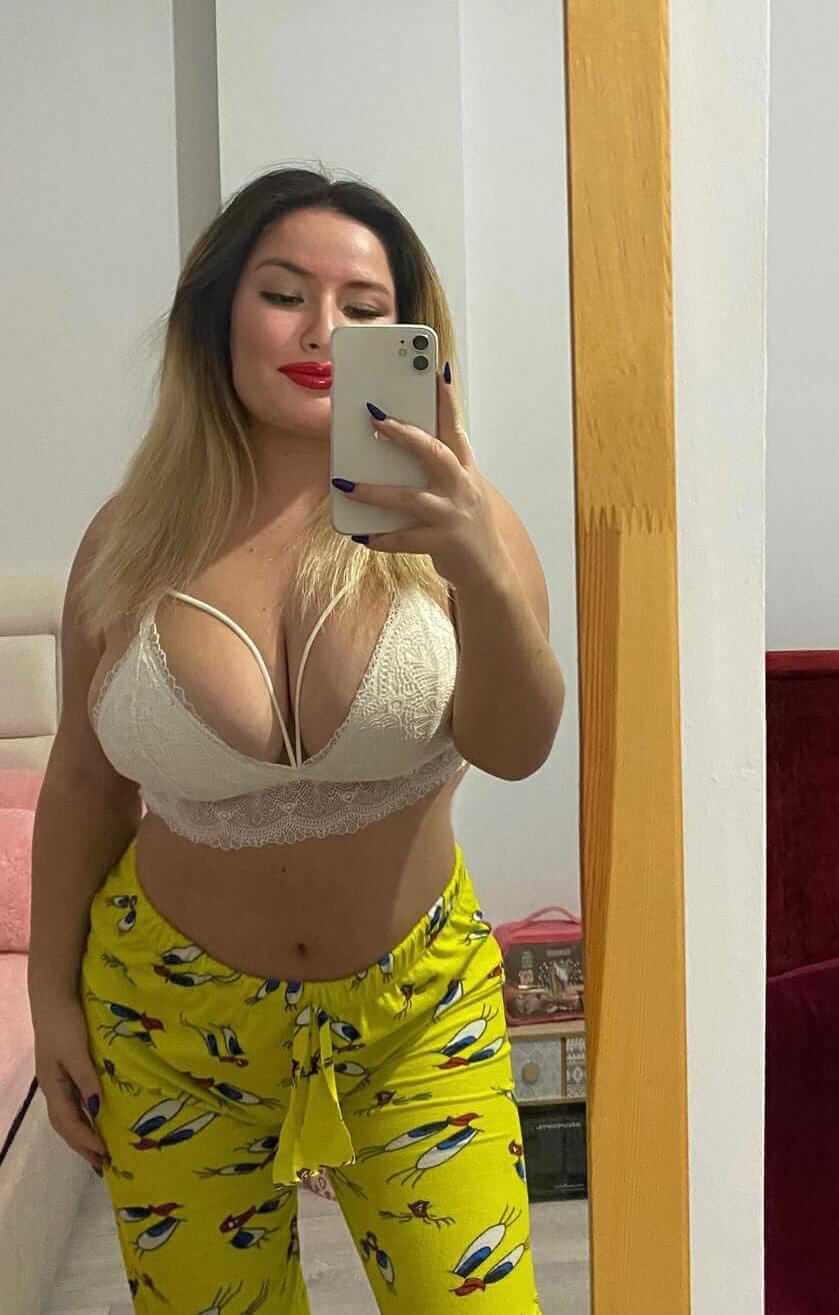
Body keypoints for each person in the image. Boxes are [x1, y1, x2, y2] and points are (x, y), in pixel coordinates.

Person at [28, 166, 565, 1314]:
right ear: (216, 316)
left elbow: (517, 744)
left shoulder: (464, 524)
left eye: (364, 309)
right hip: (165, 1018)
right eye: (283, 293)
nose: (323, 330)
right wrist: (49, 999)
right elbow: (82, 779)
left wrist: (470, 558)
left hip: (415, 1014)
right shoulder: (126, 543)